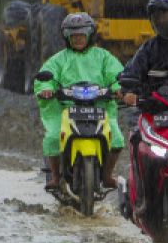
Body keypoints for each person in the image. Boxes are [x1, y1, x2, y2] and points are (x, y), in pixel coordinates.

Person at [34, 12, 126, 189]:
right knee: (53, 136)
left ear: (90, 35)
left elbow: (117, 74)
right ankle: (55, 176)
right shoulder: (59, 59)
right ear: (67, 37)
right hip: (66, 109)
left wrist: (119, 88)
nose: (78, 39)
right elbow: (46, 77)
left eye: (81, 35)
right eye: (73, 36)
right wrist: (46, 89)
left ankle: (106, 176)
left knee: (117, 138)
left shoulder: (104, 57)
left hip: (100, 108)